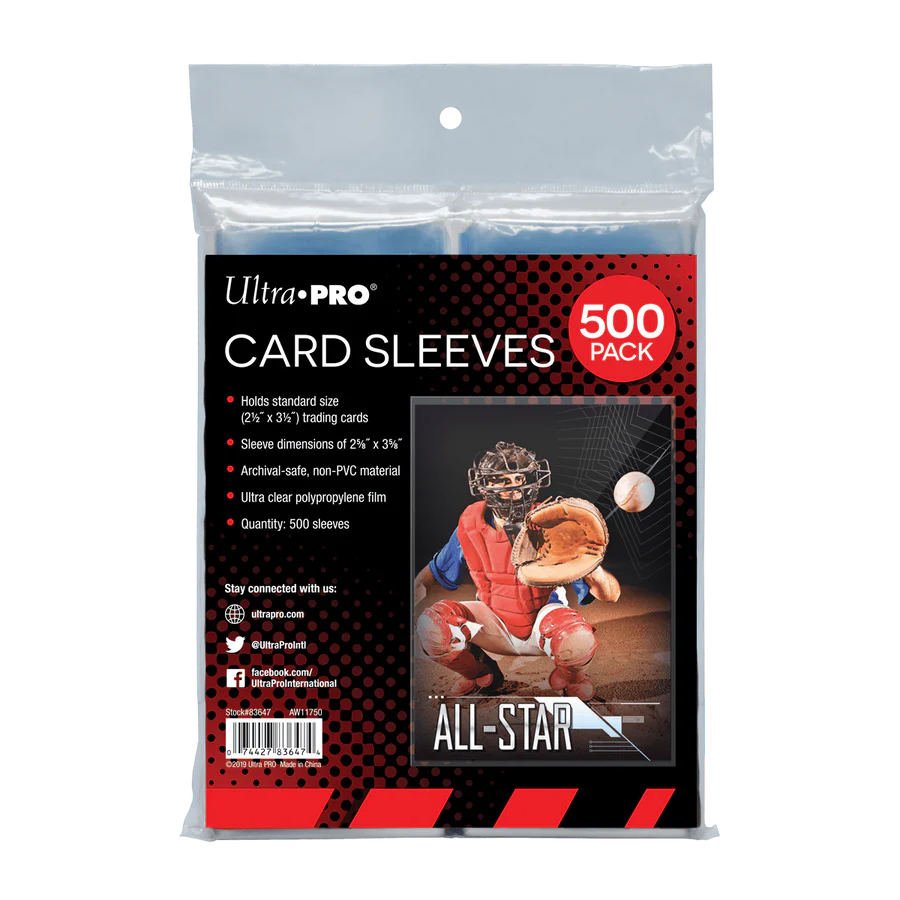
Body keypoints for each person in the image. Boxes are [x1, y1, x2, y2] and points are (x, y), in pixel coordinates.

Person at [415, 441, 620, 701]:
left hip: (543, 625)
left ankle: (570, 679)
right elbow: (426, 579)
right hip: (492, 624)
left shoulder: (551, 524)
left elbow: (610, 595)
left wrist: (590, 564)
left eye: (519, 478)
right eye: (504, 480)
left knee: (578, 640)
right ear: (484, 486)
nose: (515, 488)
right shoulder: (470, 527)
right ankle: (481, 673)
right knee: (430, 626)